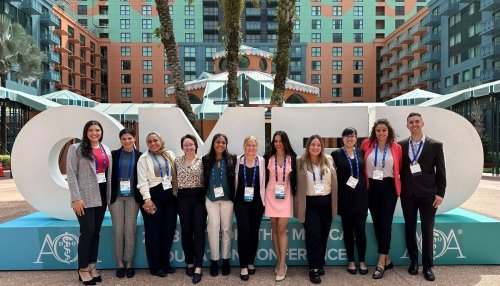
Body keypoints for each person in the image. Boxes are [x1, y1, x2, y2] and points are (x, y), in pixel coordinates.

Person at [399, 112, 446, 282]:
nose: (414, 124)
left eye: (417, 121)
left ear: (422, 123)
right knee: (409, 228)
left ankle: (427, 266)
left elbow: (441, 171)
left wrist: (441, 193)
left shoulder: (435, 145)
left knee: (427, 230)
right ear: (407, 126)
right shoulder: (401, 145)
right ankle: (413, 262)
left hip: (428, 195)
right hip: (408, 194)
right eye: (411, 122)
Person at [67, 120, 112, 285]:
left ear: (101, 132)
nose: (95, 133)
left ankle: (92, 265)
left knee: (96, 233)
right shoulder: (76, 149)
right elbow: (71, 175)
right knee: (87, 232)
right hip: (84, 198)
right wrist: (76, 198)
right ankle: (83, 269)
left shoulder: (105, 149)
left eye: (97, 130)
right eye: (91, 130)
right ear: (86, 132)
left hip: (101, 195)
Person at [360, 119, 402, 280]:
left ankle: (381, 263)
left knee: (385, 223)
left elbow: (399, 167)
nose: (381, 133)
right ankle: (388, 258)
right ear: (374, 132)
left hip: (388, 188)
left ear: (389, 131)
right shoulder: (367, 144)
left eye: (384, 130)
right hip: (371, 188)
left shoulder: (396, 148)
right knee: (378, 224)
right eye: (378, 130)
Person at [294, 135, 338, 284]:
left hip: (326, 202)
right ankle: (313, 268)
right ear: (308, 146)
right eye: (313, 144)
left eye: (318, 145)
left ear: (322, 147)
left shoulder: (329, 159)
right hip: (310, 203)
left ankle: (319, 262)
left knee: (324, 234)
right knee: (314, 234)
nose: (315, 147)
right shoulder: (300, 160)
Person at [136, 132, 177, 277]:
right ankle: (155, 267)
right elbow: (142, 182)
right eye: (149, 142)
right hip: (153, 197)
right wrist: (147, 199)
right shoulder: (143, 158)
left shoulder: (170, 154)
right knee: (153, 233)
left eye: (155, 140)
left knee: (168, 231)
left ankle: (165, 263)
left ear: (161, 140)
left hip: (170, 196)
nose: (153, 143)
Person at [331, 128, 369, 275]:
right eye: (346, 136)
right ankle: (351, 261)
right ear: (342, 138)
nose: (349, 138)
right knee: (348, 232)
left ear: (356, 138)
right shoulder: (336, 154)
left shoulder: (361, 152)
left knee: (360, 231)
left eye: (352, 136)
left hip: (361, 198)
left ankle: (363, 261)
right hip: (345, 199)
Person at [264, 131, 296, 282]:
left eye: (280, 141)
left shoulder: (292, 158)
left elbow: (295, 179)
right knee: (274, 228)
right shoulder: (268, 157)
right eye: (275, 141)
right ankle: (279, 260)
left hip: (285, 196)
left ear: (285, 142)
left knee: (282, 229)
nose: (278, 143)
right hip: (271, 196)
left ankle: (283, 264)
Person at [202, 134, 236, 277]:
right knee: (213, 229)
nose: (220, 145)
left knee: (227, 229)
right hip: (211, 199)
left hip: (227, 199)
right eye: (218, 142)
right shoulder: (206, 159)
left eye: (223, 142)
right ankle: (214, 260)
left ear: (226, 144)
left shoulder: (232, 159)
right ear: (213, 143)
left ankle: (226, 259)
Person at [109, 128, 142, 279]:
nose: (127, 141)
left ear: (134, 139)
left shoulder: (141, 156)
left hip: (133, 198)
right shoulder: (114, 155)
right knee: (118, 229)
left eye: (129, 138)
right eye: (124, 139)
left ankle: (129, 263)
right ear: (120, 140)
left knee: (130, 230)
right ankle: (120, 264)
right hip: (116, 198)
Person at [234, 136, 266, 281]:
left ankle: (250, 261)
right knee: (244, 232)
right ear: (244, 146)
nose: (251, 148)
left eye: (254, 145)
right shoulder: (238, 161)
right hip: (241, 202)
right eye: (248, 145)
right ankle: (243, 266)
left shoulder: (261, 161)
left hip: (257, 203)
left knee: (254, 232)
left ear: (257, 147)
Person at [175, 134, 206, 284]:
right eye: (185, 144)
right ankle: (190, 262)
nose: (188, 147)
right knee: (186, 232)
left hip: (199, 198)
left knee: (199, 232)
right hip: (183, 199)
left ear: (196, 146)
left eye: (191, 144)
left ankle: (199, 266)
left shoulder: (203, 161)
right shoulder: (176, 161)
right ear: (182, 147)